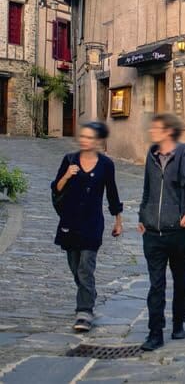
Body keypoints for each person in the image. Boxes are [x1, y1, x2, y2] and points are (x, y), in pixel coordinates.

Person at [137, 112, 185, 351]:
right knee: (156, 285)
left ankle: (178, 322)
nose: (151, 131)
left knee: (180, 281)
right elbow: (147, 189)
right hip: (153, 233)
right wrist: (142, 215)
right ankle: (155, 333)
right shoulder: (151, 156)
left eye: (156, 128)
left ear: (168, 131)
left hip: (178, 232)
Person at [52, 120, 123, 333]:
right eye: (83, 136)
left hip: (92, 223)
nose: (85, 140)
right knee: (75, 267)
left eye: (90, 137)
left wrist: (118, 221)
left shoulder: (106, 165)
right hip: (70, 222)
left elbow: (112, 193)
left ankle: (84, 311)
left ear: (98, 141)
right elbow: (56, 188)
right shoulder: (69, 160)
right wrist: (67, 175)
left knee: (85, 267)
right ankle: (89, 293)